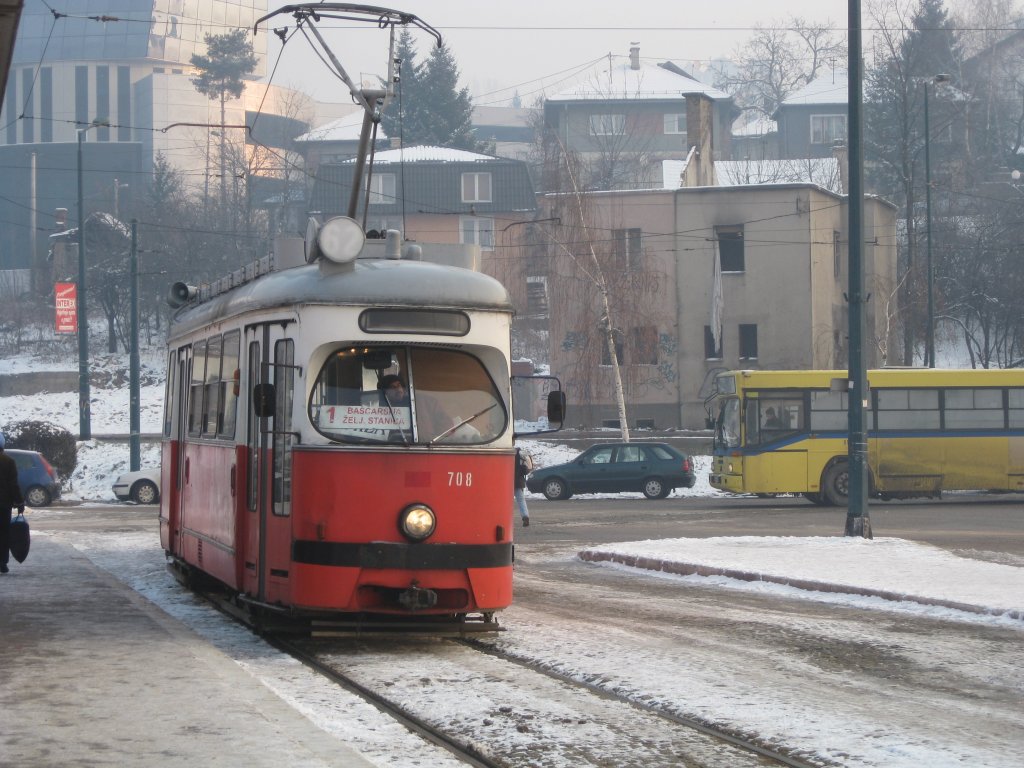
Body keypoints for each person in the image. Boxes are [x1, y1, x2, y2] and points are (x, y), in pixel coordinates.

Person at [0, 432, 25, 574]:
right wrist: (19, 501)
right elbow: (13, 485)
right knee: (3, 534)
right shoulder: (8, 462)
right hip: (3, 505)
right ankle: (2, 562)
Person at [514, 447, 531, 527]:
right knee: (521, 500)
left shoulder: (507, 453)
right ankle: (525, 516)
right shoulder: (521, 454)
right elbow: (527, 470)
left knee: (505, 501)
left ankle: (504, 518)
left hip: (507, 481)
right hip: (518, 482)